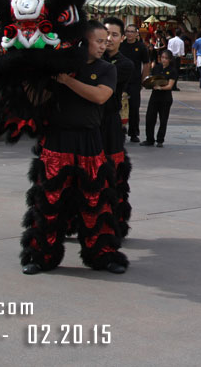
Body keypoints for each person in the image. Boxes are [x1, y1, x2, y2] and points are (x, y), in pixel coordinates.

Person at [20, 21, 127, 275]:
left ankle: (103, 255)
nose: (105, 44)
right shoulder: (61, 66)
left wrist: (67, 81)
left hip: (90, 141)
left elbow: (101, 96)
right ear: (84, 41)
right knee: (48, 200)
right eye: (99, 41)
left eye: (107, 40)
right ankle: (40, 256)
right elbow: (37, 99)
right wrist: (27, 76)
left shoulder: (106, 69)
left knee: (96, 201)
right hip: (57, 140)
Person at [101, 17, 136, 236]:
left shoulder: (124, 64)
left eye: (114, 35)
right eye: (105, 35)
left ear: (122, 38)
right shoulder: (91, 57)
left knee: (112, 173)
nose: (109, 39)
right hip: (89, 122)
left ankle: (114, 223)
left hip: (110, 122)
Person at [118, 23, 150, 145]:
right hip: (121, 81)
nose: (130, 34)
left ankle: (133, 133)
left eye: (132, 31)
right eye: (128, 31)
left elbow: (146, 64)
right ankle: (119, 131)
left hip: (135, 82)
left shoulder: (141, 47)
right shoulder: (120, 46)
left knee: (134, 107)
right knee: (118, 107)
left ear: (137, 33)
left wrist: (144, 80)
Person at [143, 49, 176, 146]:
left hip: (165, 98)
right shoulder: (156, 68)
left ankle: (160, 140)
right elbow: (152, 80)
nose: (164, 60)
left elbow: (170, 86)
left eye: (166, 58)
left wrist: (160, 88)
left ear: (170, 59)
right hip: (154, 96)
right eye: (162, 57)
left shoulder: (172, 70)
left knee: (163, 119)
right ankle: (149, 139)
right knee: (150, 118)